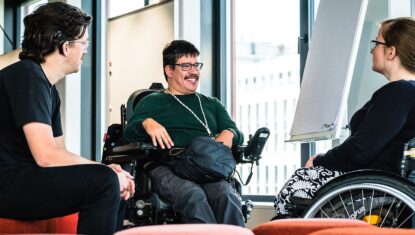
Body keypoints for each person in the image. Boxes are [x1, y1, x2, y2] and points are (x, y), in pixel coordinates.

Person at [0, 3, 134, 235]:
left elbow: (59, 152)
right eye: (84, 43)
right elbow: (47, 156)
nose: (86, 50)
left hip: (21, 180)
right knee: (104, 181)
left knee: (111, 180)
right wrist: (105, 172)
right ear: (65, 47)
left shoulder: (47, 88)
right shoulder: (27, 76)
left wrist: (110, 170)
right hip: (6, 183)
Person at [274, 17, 415, 218]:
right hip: (385, 182)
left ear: (391, 52)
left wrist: (318, 161)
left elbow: (359, 151)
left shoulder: (398, 93)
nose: (372, 50)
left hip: (374, 183)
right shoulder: (407, 92)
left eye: (376, 43)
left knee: (297, 185)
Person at [123, 40, 245, 226]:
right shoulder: (152, 102)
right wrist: (146, 123)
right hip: (167, 165)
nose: (194, 71)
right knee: (193, 195)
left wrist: (230, 133)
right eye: (186, 66)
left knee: (226, 195)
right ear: (169, 70)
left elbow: (237, 133)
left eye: (196, 65)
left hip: (204, 166)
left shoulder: (211, 103)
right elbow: (129, 135)